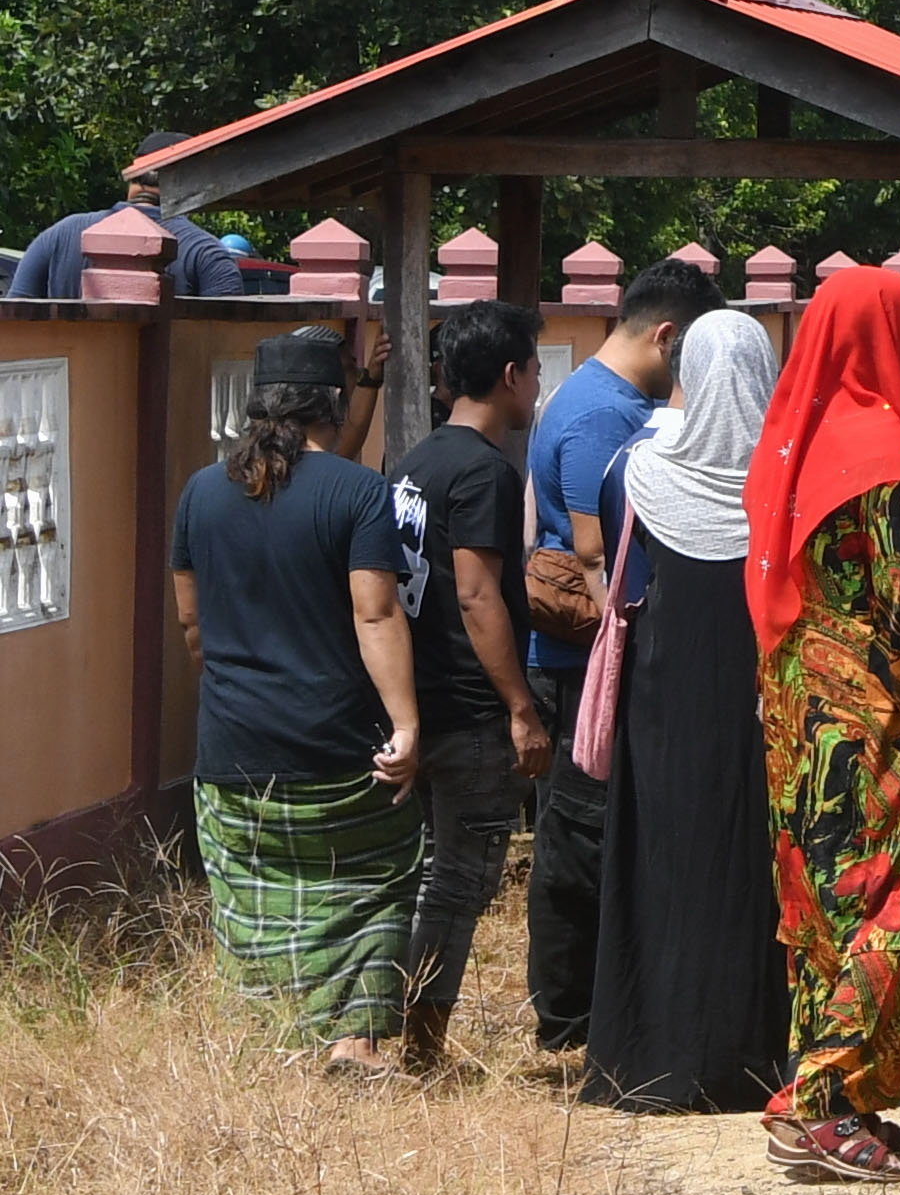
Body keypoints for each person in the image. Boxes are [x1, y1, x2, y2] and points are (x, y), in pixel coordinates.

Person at [743, 269, 900, 1183]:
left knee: (833, 904)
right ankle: (818, 1094)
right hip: (883, 720)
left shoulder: (797, 439)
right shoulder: (885, 450)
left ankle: (850, 1100)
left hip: (804, 718)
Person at [170, 326, 418, 1065]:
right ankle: (357, 1042)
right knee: (374, 885)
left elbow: (192, 623)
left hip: (233, 752)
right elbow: (374, 612)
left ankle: (265, 1037)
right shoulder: (359, 492)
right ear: (332, 408)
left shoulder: (201, 493)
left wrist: (233, 696)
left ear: (255, 408)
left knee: (251, 900)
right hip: (338, 751)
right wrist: (405, 725)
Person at [584, 310, 791, 1115]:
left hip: (663, 699)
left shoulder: (635, 472)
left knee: (665, 863)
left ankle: (653, 1054)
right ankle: (754, 1056)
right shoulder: (790, 481)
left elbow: (622, 578)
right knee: (756, 868)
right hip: (764, 700)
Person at [516, 256, 712, 1051]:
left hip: (582, 660)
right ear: (667, 336)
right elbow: (601, 555)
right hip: (583, 666)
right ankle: (570, 1018)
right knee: (581, 842)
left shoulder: (594, 395)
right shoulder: (607, 416)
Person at [392, 301, 555, 1068]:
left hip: (419, 702)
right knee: (461, 878)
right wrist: (520, 705)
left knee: (432, 872)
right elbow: (476, 594)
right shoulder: (485, 472)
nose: (537, 383)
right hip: (468, 706)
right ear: (510, 374)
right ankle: (419, 1044)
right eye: (534, 367)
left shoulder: (417, 463)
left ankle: (395, 1027)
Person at [9, 145, 247, 298]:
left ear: (132, 175)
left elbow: (14, 320)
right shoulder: (206, 253)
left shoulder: (57, 236)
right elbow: (230, 346)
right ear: (194, 182)